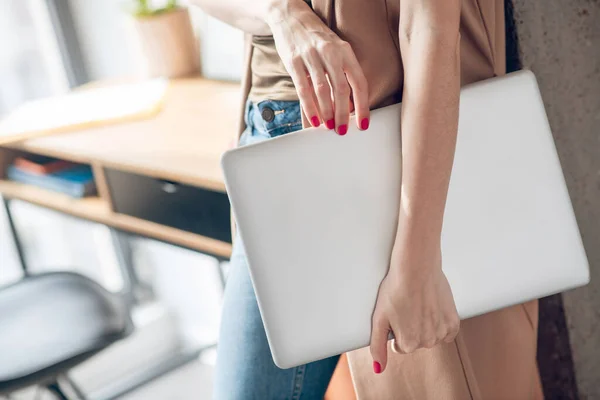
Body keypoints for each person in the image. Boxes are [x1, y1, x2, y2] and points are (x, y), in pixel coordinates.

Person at [192, 0, 542, 398]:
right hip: (272, 144)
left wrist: (417, 262)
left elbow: (429, 29)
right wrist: (282, 12)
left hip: (387, 146)